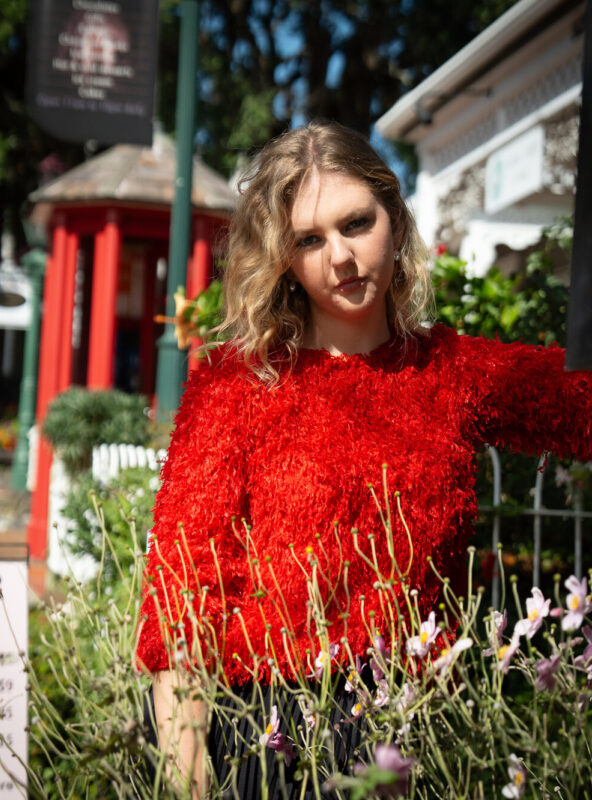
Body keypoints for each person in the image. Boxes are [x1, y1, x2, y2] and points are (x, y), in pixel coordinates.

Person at [137, 120, 592, 798]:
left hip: (414, 729)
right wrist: (184, 756)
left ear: (395, 217)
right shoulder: (235, 383)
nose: (342, 257)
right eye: (310, 240)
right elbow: (183, 584)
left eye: (356, 224)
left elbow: (579, 401)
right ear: (284, 257)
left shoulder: (454, 372)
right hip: (266, 733)